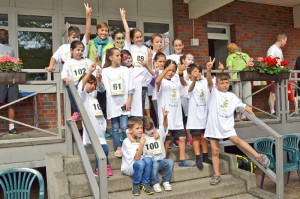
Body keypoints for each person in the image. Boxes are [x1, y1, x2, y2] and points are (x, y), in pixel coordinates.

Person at [205, 57, 270, 185]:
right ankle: (216, 174)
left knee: (236, 140)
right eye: (221, 83)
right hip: (213, 126)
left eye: (226, 82)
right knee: (215, 151)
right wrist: (208, 71)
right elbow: (209, 82)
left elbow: (242, 106)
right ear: (217, 84)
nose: (224, 85)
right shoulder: (213, 92)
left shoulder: (232, 95)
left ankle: (258, 156)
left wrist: (247, 108)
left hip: (227, 126)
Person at [156, 59, 195, 167]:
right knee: (167, 140)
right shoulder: (162, 82)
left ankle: (182, 160)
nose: (171, 72)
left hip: (177, 118)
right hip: (166, 118)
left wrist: (181, 73)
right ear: (164, 69)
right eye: (169, 70)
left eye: (173, 70)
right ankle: (163, 159)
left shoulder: (176, 83)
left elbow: (185, 86)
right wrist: (166, 69)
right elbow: (157, 81)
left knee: (182, 138)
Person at [77, 64, 112, 176]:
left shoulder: (92, 95)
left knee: (104, 150)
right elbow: (81, 86)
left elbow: (101, 89)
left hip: (100, 129)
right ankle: (98, 170)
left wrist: (99, 79)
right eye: (90, 83)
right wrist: (89, 71)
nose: (92, 86)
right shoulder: (83, 97)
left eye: (93, 84)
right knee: (103, 150)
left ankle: (104, 167)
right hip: (92, 129)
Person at [101, 48, 133, 157]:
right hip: (113, 103)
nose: (120, 57)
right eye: (117, 55)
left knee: (124, 126)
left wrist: (129, 100)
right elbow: (102, 88)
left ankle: (126, 146)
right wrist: (98, 79)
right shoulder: (105, 71)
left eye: (120, 55)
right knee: (115, 127)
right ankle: (118, 147)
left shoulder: (125, 70)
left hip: (123, 102)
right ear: (110, 57)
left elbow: (130, 87)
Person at [179, 63, 212, 169]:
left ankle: (205, 156)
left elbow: (211, 83)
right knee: (196, 137)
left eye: (198, 71)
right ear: (189, 74)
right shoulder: (188, 83)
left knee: (205, 137)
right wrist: (193, 80)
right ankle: (198, 157)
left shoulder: (204, 81)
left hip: (205, 115)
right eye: (194, 72)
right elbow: (189, 90)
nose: (197, 73)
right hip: (194, 117)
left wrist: (209, 71)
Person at [45, 3, 92, 72]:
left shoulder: (83, 44)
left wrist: (88, 16)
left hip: (83, 78)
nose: (76, 39)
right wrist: (51, 66)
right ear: (68, 37)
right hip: (69, 79)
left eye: (78, 37)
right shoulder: (63, 47)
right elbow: (54, 57)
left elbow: (88, 31)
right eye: (73, 37)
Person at [61, 41, 99, 121]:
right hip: (75, 86)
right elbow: (63, 75)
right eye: (78, 50)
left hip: (86, 86)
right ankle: (77, 112)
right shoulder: (68, 63)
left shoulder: (87, 61)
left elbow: (95, 68)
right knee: (70, 89)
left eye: (82, 50)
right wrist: (66, 79)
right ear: (72, 50)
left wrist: (96, 60)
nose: (80, 52)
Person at [121, 117, 154, 196]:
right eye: (137, 128)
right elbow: (136, 158)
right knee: (140, 163)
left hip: (139, 165)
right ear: (131, 130)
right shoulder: (127, 141)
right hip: (129, 167)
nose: (140, 130)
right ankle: (136, 185)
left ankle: (145, 183)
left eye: (141, 128)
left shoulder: (140, 138)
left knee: (148, 160)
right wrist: (141, 144)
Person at [143, 108, 174, 193]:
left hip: (161, 161)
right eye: (148, 129)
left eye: (152, 127)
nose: (151, 131)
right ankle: (155, 182)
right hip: (151, 163)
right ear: (143, 130)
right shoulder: (142, 137)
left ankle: (166, 181)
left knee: (170, 162)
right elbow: (128, 130)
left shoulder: (158, 132)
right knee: (155, 164)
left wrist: (165, 117)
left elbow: (164, 126)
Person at [0, 29, 20, 135]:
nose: (6, 36)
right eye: (4, 34)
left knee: (12, 102)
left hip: (11, 78)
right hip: (0, 78)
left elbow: (14, 62)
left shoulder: (11, 48)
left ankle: (11, 128)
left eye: (7, 34)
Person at [226, 43, 251, 121]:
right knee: (247, 96)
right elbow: (250, 66)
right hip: (247, 77)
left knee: (237, 97)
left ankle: (238, 116)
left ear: (230, 50)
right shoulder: (246, 55)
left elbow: (230, 69)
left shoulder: (230, 57)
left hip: (236, 79)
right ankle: (247, 115)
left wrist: (231, 80)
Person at [266, 33, 287, 116]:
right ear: (281, 39)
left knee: (278, 93)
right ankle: (272, 112)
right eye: (285, 40)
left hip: (279, 74)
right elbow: (269, 60)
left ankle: (279, 111)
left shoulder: (279, 50)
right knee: (272, 93)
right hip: (273, 74)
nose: (286, 43)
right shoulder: (272, 49)